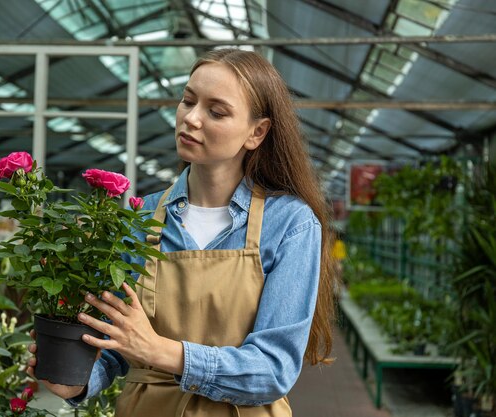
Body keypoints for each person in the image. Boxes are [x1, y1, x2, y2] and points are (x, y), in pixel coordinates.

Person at [27, 48, 338, 416]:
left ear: (257, 132)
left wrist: (159, 351)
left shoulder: (289, 223)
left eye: (216, 111)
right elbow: (115, 347)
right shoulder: (138, 218)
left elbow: (272, 370)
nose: (191, 118)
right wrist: (76, 380)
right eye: (188, 101)